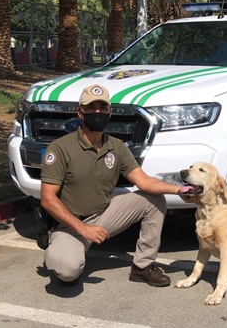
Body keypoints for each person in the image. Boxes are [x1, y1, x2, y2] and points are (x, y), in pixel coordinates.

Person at [40, 84, 195, 287]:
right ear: (80, 112)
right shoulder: (60, 148)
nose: (97, 112)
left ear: (110, 112)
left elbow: (144, 181)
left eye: (102, 108)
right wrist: (84, 229)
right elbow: (48, 199)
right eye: (91, 107)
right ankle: (59, 246)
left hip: (104, 216)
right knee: (67, 271)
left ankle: (142, 267)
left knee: (153, 199)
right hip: (70, 224)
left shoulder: (116, 147)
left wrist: (180, 190)